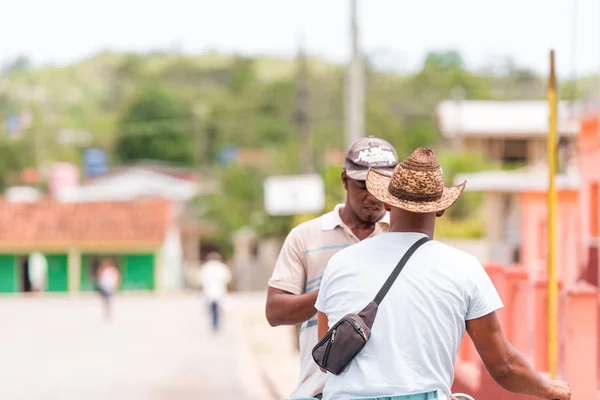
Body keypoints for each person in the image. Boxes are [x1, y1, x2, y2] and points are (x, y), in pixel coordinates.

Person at [315, 148, 571, 400]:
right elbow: (503, 366)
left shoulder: (340, 263)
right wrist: (549, 388)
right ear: (441, 209)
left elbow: (325, 360)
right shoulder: (464, 268)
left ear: (386, 203)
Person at [266, 136, 400, 399]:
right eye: (363, 185)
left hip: (387, 392)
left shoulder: (403, 237)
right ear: (344, 180)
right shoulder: (306, 236)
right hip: (319, 390)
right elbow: (275, 312)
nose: (373, 196)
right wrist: (334, 293)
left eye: (383, 186)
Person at [199, 252, 232, 332]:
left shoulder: (206, 267)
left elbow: (201, 279)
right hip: (219, 291)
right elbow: (228, 278)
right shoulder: (222, 267)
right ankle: (216, 324)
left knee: (212, 308)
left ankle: (214, 324)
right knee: (218, 309)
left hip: (209, 291)